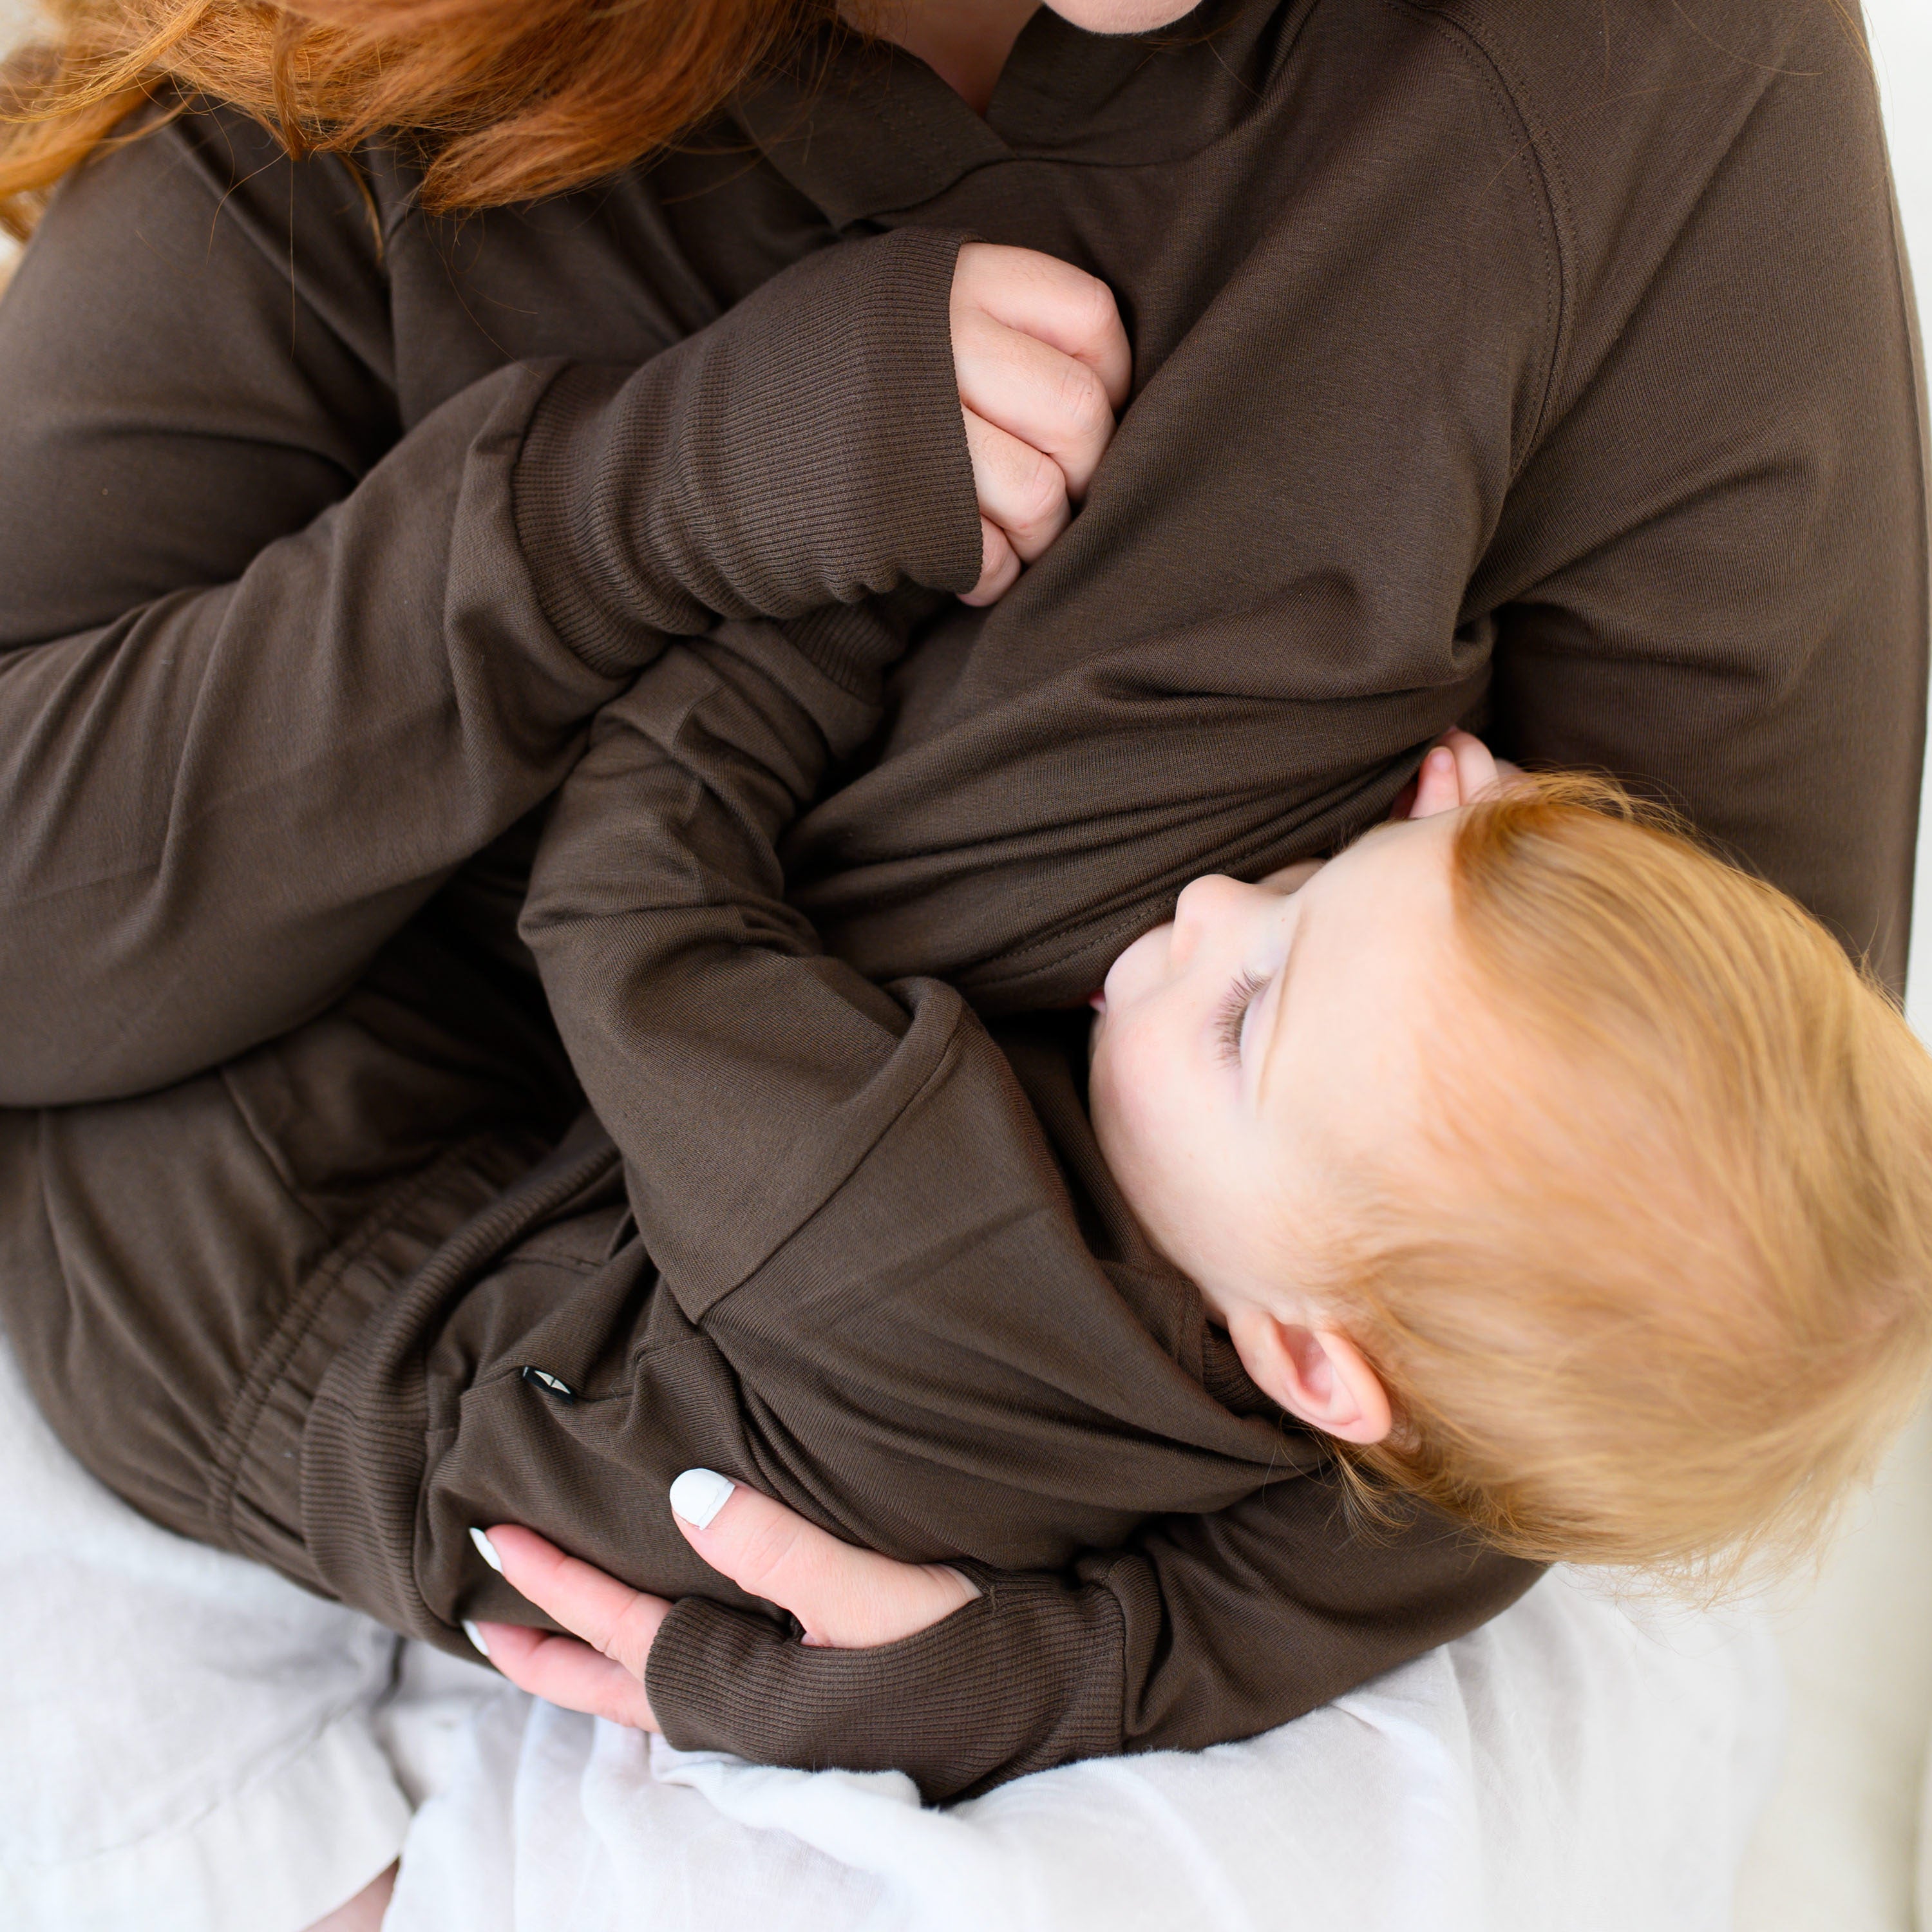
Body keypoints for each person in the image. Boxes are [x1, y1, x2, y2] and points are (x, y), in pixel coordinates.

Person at [0, 0, 1923, 1921]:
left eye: (1257, 994)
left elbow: (1662, 1296)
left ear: (1316, 1365)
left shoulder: (917, 1213)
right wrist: (640, 498)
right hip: (322, 1277)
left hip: (416, 1359)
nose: (1210, 907)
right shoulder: (335, 90)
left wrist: (1104, 1667)